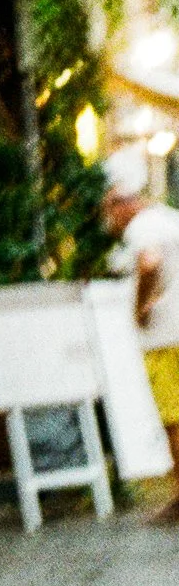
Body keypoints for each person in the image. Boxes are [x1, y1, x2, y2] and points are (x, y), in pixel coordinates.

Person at [103, 150, 179, 502]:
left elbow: (149, 264)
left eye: (109, 212)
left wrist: (140, 307)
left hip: (164, 335)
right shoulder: (170, 218)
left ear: (121, 205)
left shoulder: (140, 228)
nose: (111, 221)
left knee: (174, 418)